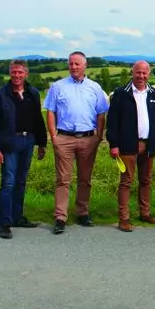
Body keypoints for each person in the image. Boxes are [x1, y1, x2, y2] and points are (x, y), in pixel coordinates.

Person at [43, 51, 109, 235]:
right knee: (62, 180)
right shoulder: (57, 87)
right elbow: (50, 112)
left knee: (85, 179)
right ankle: (60, 217)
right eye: (71, 64)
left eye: (77, 64)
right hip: (64, 138)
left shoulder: (95, 88)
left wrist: (98, 136)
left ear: (85, 65)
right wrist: (53, 136)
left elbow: (101, 113)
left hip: (88, 138)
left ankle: (82, 212)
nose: (73, 67)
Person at [0, 59, 47, 239]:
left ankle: (17, 217)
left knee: (21, 181)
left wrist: (42, 143)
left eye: (20, 72)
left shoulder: (33, 93)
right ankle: (5, 223)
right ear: (10, 73)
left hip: (28, 140)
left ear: (26, 73)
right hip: (9, 143)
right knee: (8, 182)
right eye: (14, 72)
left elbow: (38, 119)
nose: (17, 76)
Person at [106, 60, 155, 233]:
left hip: (148, 145)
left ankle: (145, 213)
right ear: (132, 73)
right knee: (126, 182)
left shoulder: (154, 94)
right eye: (138, 73)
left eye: (144, 73)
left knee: (146, 180)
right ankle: (124, 218)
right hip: (127, 145)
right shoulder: (121, 94)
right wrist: (114, 144)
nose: (141, 76)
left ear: (149, 74)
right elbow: (112, 122)